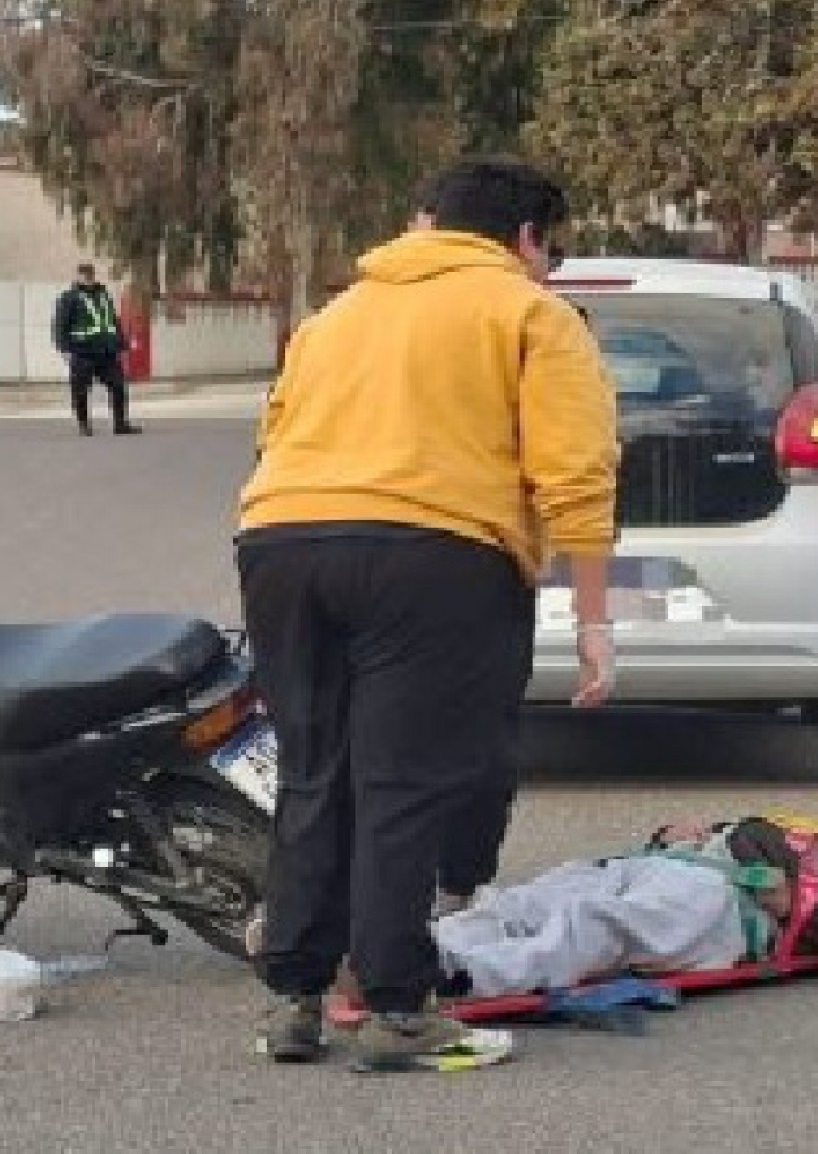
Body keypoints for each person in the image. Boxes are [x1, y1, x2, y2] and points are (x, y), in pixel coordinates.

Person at [236, 157, 620, 1068]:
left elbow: (274, 429)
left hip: (282, 541)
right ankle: (395, 1008)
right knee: (403, 782)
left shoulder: (336, 315)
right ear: (528, 239)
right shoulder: (530, 312)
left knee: (313, 769)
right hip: (435, 552)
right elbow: (575, 471)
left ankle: (295, 998)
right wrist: (595, 620)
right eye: (549, 248)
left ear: (425, 220)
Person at [430, 813, 818, 998]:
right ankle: (413, 948)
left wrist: (790, 901)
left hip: (731, 900)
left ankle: (460, 973)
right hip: (682, 861)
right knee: (536, 897)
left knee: (600, 925)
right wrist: (677, 834)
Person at [51, 263, 137, 437]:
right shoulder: (69, 298)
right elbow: (60, 325)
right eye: (84, 275)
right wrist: (64, 349)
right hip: (82, 352)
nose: (88, 278)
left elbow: (113, 321)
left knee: (118, 386)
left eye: (90, 274)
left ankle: (120, 424)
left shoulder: (103, 295)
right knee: (81, 390)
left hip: (107, 352)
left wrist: (121, 345)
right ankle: (84, 424)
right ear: (78, 276)